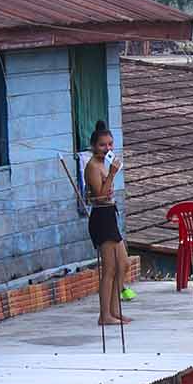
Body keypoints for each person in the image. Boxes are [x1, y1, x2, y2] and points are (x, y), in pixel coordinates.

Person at [83, 121, 130, 326]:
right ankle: (104, 315)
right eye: (103, 145)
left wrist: (110, 172)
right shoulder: (93, 166)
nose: (108, 148)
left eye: (110, 144)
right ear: (94, 146)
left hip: (111, 214)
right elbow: (100, 196)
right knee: (110, 268)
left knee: (124, 264)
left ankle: (114, 309)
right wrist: (111, 173)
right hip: (101, 217)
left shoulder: (104, 163)